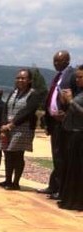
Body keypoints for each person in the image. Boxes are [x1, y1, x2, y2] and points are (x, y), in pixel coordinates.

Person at [38, 50, 77, 199]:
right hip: (54, 122)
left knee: (62, 155)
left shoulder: (72, 75)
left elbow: (75, 96)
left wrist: (67, 114)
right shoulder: (59, 76)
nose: (56, 64)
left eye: (59, 61)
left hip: (64, 122)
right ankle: (53, 185)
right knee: (56, 154)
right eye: (54, 61)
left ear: (67, 61)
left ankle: (61, 189)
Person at [0, 68, 41, 190]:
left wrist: (12, 124)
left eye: (23, 78)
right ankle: (7, 180)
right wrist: (4, 126)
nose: (20, 80)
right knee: (7, 153)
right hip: (8, 128)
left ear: (29, 80)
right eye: (18, 78)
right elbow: (6, 109)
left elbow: (28, 111)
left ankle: (15, 182)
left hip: (22, 129)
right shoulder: (14, 92)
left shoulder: (33, 94)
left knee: (17, 154)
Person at [57, 65, 83, 210]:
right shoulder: (79, 92)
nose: (77, 79)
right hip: (72, 132)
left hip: (80, 134)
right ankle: (69, 198)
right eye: (77, 77)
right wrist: (65, 101)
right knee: (71, 168)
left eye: (81, 77)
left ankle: (77, 201)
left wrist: (71, 101)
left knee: (77, 169)